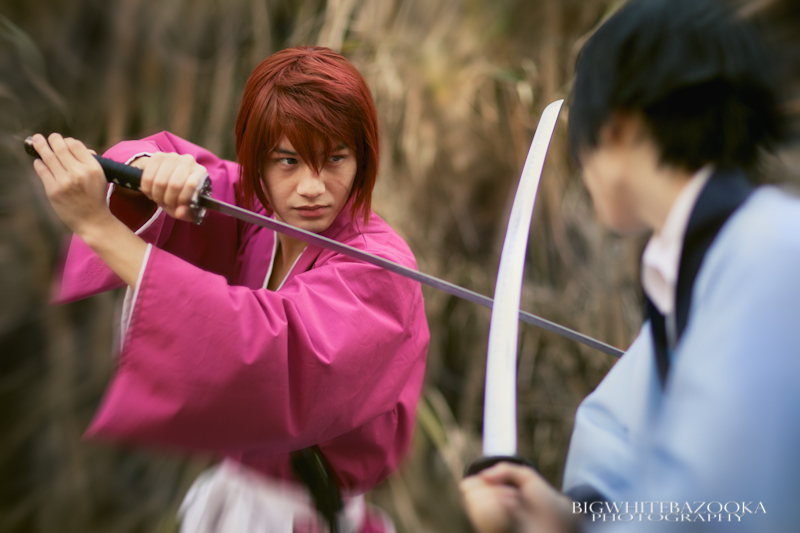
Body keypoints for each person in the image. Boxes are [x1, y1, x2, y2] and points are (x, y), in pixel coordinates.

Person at [30, 46, 429, 532]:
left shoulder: (381, 268)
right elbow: (186, 169)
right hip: (235, 499)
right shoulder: (257, 209)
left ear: (362, 159)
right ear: (257, 160)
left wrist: (101, 229)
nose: (312, 187)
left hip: (310, 518)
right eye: (288, 161)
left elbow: (271, 351)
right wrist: (150, 171)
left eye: (335, 159)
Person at [460, 0, 797, 531]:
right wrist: (573, 517)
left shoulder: (770, 251)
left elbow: (724, 507)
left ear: (616, 127)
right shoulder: (704, 266)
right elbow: (624, 442)